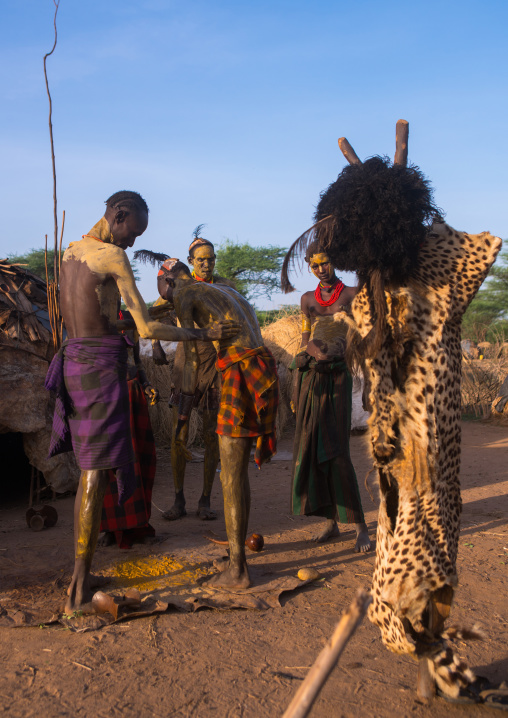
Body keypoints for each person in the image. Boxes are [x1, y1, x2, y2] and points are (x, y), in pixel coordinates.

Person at [45, 191, 240, 612]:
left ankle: (84, 571)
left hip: (74, 362)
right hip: (99, 369)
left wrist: (120, 326)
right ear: (119, 215)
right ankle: (79, 589)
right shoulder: (112, 257)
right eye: (132, 232)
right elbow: (147, 329)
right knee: (96, 473)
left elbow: (88, 315)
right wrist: (203, 335)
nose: (132, 243)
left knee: (87, 470)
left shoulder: (70, 253)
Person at [157, 259, 278, 589]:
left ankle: (238, 570)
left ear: (168, 283)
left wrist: (186, 405)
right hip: (261, 366)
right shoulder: (224, 290)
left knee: (231, 472)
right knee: (236, 470)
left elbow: (191, 347)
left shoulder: (183, 294)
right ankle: (237, 555)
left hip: (238, 371)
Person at [290, 241, 371, 551]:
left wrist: (369, 386)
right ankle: (330, 522)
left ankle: (360, 525)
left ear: (334, 262)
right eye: (314, 265)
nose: (321, 269)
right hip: (311, 378)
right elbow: (304, 339)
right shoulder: (308, 299)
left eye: (325, 263)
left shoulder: (352, 296)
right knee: (311, 449)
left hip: (339, 378)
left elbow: (363, 340)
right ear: (310, 267)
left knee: (337, 452)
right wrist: (310, 352)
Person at [151, 233, 235, 521]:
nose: (207, 264)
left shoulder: (225, 288)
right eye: (201, 260)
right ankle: (178, 500)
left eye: (211, 259)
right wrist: (155, 346)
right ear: (190, 262)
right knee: (179, 435)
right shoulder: (180, 286)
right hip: (185, 367)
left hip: (215, 368)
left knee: (212, 435)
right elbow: (152, 317)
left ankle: (205, 500)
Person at [99, 323, 159, 549]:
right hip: (108, 396)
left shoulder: (131, 324)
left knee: (139, 460)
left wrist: (146, 383)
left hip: (133, 395)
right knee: (109, 465)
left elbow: (138, 362)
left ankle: (138, 523)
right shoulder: (96, 322)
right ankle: (109, 528)